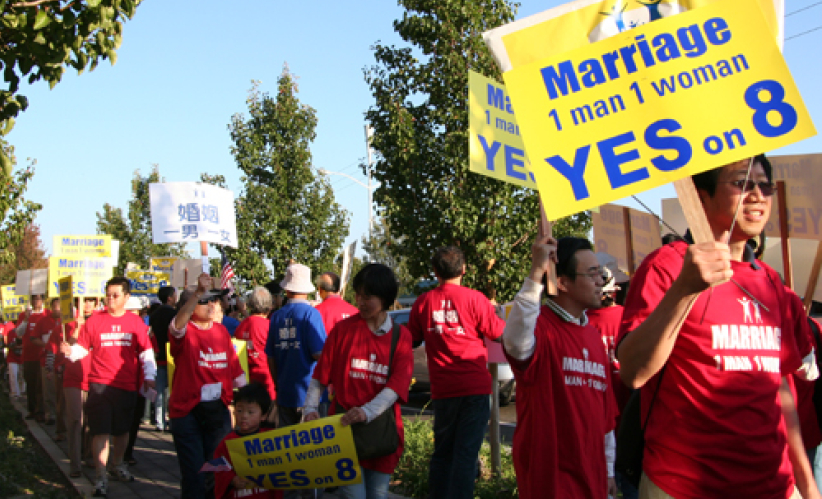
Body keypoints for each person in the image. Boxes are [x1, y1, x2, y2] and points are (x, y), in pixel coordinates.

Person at [616, 155, 821, 499]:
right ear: (701, 196)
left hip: (775, 487)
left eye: (765, 185)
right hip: (683, 487)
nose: (757, 195)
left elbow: (781, 388)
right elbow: (633, 372)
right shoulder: (666, 267)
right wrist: (684, 290)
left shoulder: (773, 284)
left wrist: (807, 484)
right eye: (742, 183)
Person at [503, 236, 617, 499]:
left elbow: (606, 416)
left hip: (593, 478)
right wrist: (536, 273)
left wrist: (609, 469)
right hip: (551, 481)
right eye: (592, 274)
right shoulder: (540, 329)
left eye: (600, 273)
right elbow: (516, 343)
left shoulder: (593, 337)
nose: (601, 281)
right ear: (563, 282)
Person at [304, 263, 413, 499]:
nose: (361, 302)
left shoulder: (401, 337)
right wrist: (311, 409)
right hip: (343, 432)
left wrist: (366, 412)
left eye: (368, 296)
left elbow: (396, 386)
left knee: (378, 494)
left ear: (385, 298)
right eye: (359, 295)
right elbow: (319, 377)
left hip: (382, 434)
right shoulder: (343, 330)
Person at [406, 246, 506, 499]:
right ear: (464, 270)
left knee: (443, 453)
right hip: (474, 388)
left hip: (443, 390)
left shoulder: (423, 302)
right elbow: (499, 333)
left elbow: (412, 339)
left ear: (435, 272)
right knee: (466, 456)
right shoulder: (476, 299)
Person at [62, 277, 156, 498]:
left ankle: (118, 464)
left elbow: (146, 351)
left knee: (122, 430)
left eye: (115, 295)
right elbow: (83, 349)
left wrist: (150, 376)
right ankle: (100, 474)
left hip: (126, 384)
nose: (110, 299)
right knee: (100, 430)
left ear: (126, 297)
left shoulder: (135, 323)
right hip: (100, 385)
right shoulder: (94, 320)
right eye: (108, 294)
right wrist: (70, 352)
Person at [168, 273, 246, 499]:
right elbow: (175, 326)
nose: (211, 304)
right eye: (204, 301)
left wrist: (250, 400)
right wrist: (198, 293)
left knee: (217, 470)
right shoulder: (184, 331)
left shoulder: (221, 331)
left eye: (214, 300)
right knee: (194, 474)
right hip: (187, 412)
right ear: (189, 306)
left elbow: (234, 369)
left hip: (217, 412)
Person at [265, 263, 326, 427]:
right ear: (307, 289)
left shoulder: (276, 317)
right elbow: (319, 353)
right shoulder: (311, 314)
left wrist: (278, 385)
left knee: (288, 445)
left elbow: (270, 356)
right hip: (309, 395)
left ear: (287, 289)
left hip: (285, 392)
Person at [213, 382, 283, 499]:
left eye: (250, 412)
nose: (244, 416)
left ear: (264, 416)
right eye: (239, 410)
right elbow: (219, 468)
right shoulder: (227, 443)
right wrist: (232, 479)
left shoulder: (270, 439)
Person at [63, 296, 96, 477]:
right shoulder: (68, 323)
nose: (87, 304)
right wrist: (77, 326)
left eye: (91, 300)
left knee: (90, 422)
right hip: (73, 380)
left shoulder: (99, 322)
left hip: (92, 379)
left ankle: (89, 455)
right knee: (76, 420)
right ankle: (75, 465)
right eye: (84, 300)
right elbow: (70, 346)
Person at [234, 287, 277, 411]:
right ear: (269, 305)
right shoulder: (269, 327)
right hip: (268, 382)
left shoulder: (241, 327)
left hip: (247, 382)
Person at [149, 285, 177, 432]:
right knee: (172, 391)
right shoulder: (175, 314)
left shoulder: (154, 315)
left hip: (158, 356)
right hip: (172, 356)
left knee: (160, 391)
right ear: (170, 298)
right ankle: (171, 420)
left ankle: (159, 421)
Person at [18, 294, 47, 421]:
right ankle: (32, 410)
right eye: (34, 299)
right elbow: (19, 333)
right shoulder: (24, 315)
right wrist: (25, 319)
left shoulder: (47, 314)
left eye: (39, 299)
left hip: (42, 356)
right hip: (28, 356)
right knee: (30, 384)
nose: (37, 301)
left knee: (41, 385)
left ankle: (41, 411)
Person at [5, 317, 24, 398]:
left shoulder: (24, 332)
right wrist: (17, 344)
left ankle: (22, 392)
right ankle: (15, 393)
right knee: (13, 375)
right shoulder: (11, 332)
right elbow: (9, 345)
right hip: (12, 358)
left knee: (22, 376)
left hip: (22, 358)